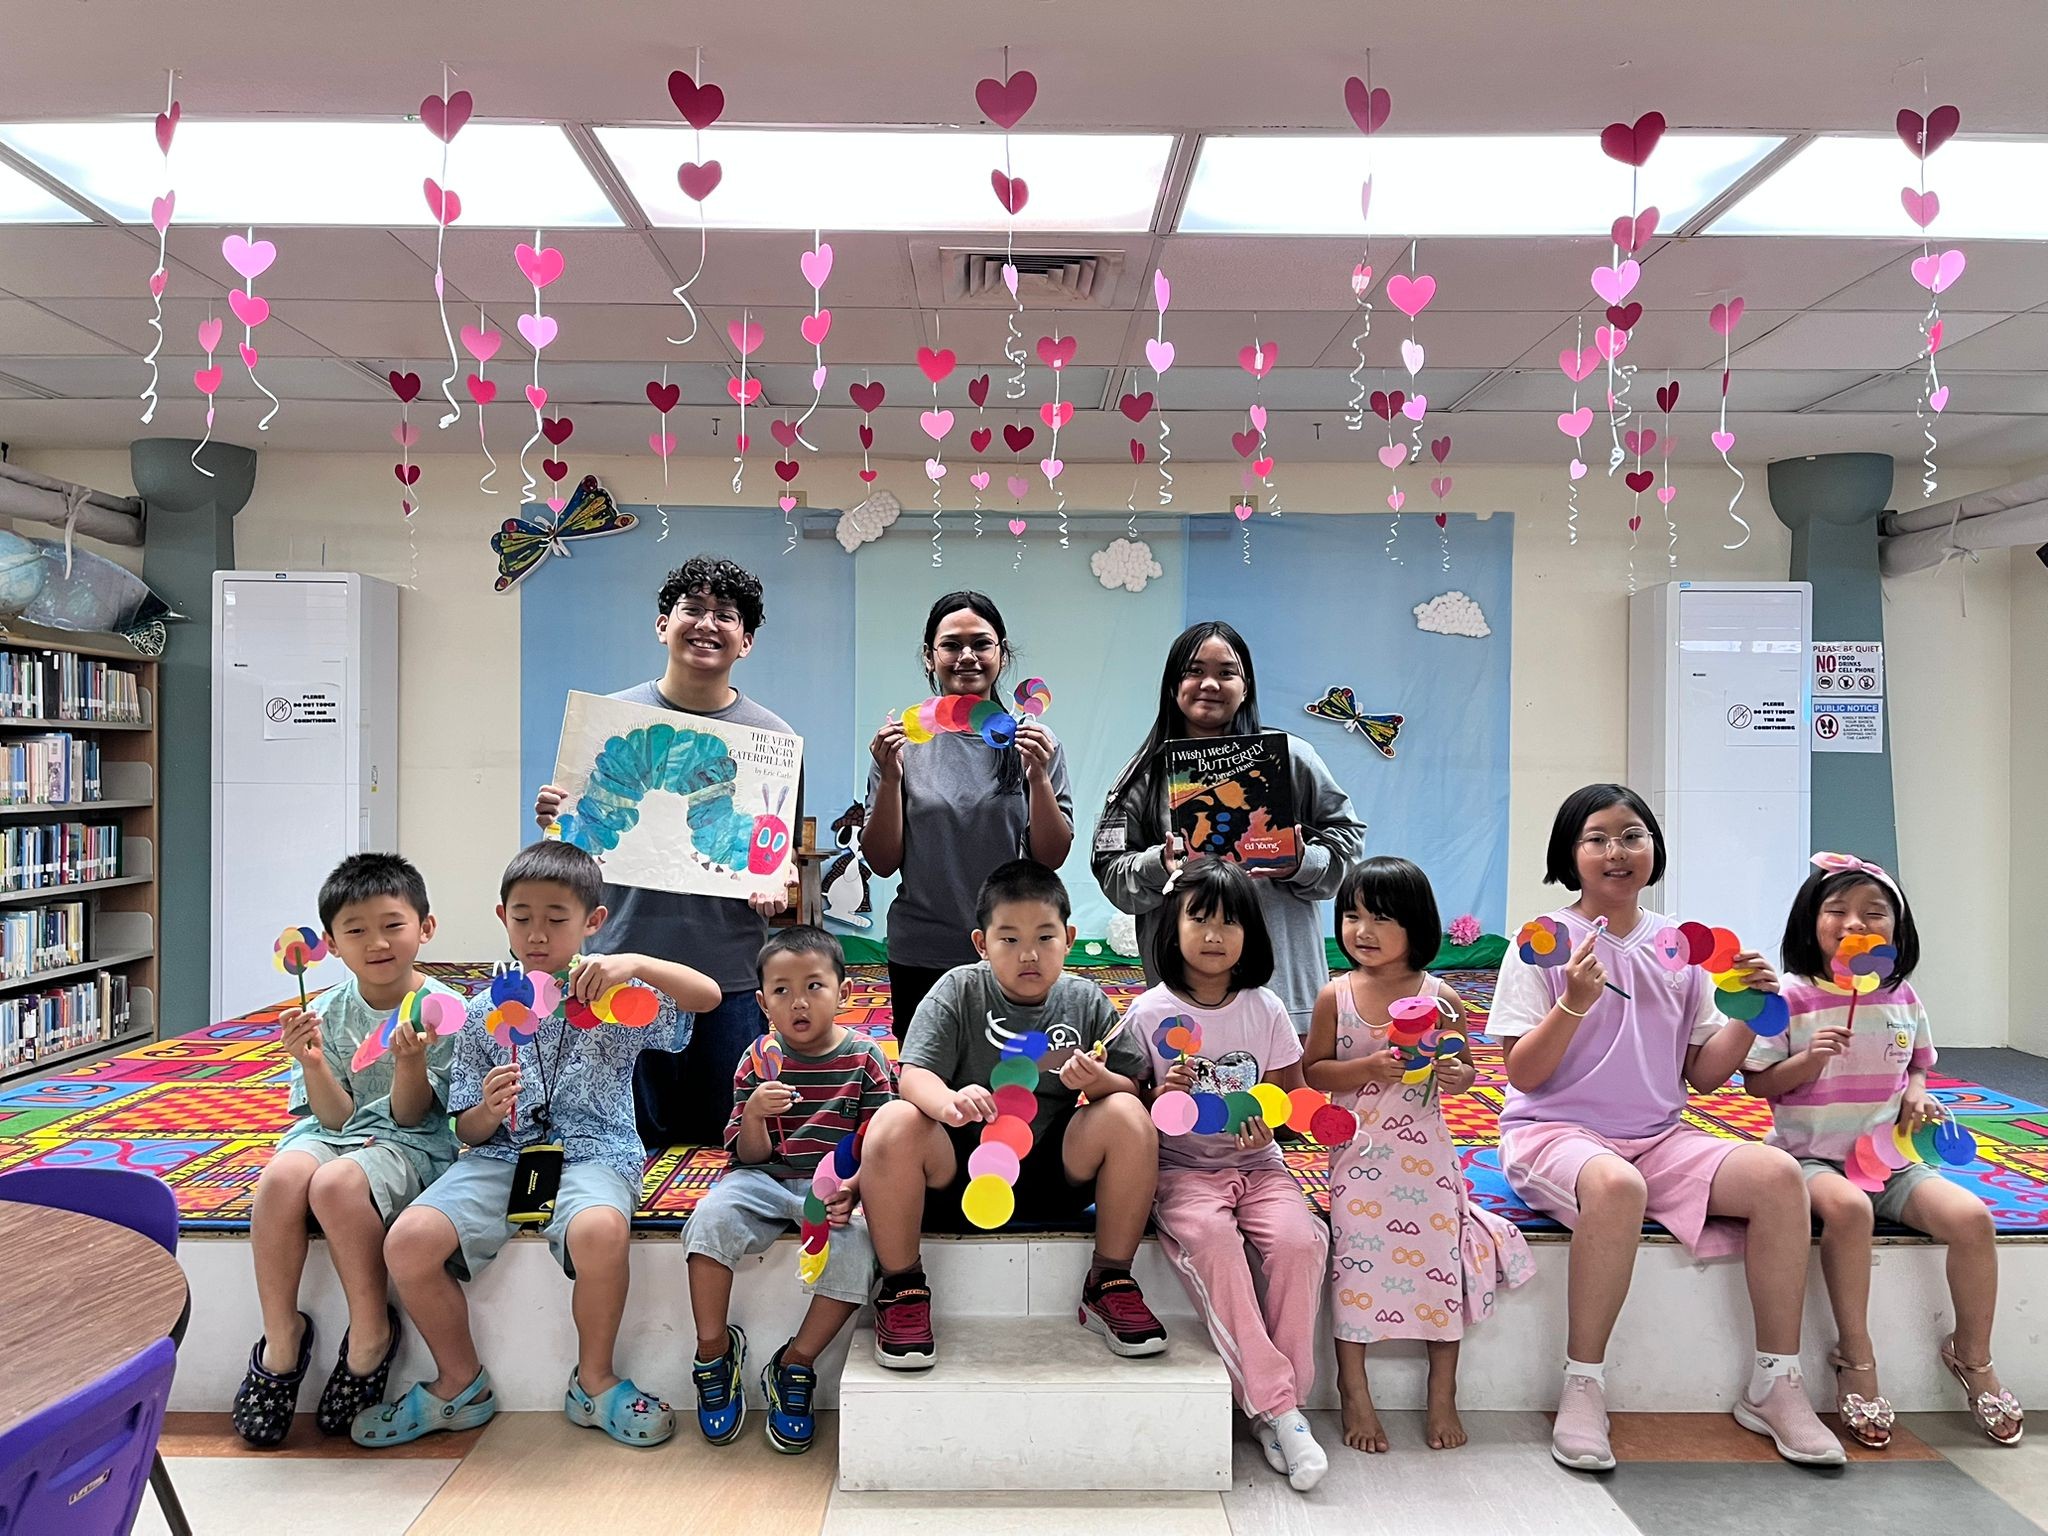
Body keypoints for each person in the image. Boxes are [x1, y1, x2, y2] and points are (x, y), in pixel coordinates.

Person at [1494, 785, 1842, 1470]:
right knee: (1616, 1187)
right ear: (1569, 853)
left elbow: (1704, 1077)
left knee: (1778, 1176)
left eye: (1633, 835)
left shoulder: (1681, 948)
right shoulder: (1541, 942)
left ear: (1655, 848)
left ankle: (1775, 1383)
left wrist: (1750, 1011)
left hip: (1659, 1137)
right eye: (1597, 838)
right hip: (1552, 1133)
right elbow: (1523, 1075)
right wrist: (1573, 1002)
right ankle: (1583, 1385)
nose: (1616, 851)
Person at [355, 841, 720, 1449]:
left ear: (593, 922)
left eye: (557, 918)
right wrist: (486, 1109)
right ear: (502, 917)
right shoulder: (483, 1012)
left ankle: (595, 1381)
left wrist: (633, 962)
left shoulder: (614, 999)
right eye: (522, 917)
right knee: (408, 1241)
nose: (538, 933)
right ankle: (459, 1383)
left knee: (599, 1230)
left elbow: (706, 996)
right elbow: (465, 1130)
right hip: (500, 1156)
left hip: (595, 1152)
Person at [1746, 853, 2021, 1448]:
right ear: (1809, 921)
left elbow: (1918, 1064)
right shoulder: (1791, 997)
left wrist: (1918, 1094)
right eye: (1837, 910)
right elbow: (1758, 1083)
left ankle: (1973, 1355)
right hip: (1809, 1158)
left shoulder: (1901, 996)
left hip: (1890, 1160)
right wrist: (1808, 1059)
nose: (1855, 923)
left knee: (1973, 1219)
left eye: (1875, 913)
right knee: (1850, 1211)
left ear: (1898, 928)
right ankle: (1856, 1354)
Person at [858, 859, 1166, 1367]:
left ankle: (1110, 1278)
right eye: (1009, 939)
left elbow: (1135, 1084)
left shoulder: (1085, 1000)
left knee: (1128, 1114)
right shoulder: (959, 988)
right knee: (894, 1121)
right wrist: (949, 1102)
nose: (1029, 954)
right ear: (982, 943)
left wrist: (1099, 1082)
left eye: (1045, 937)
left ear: (1068, 938)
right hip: (961, 1170)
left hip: (1054, 1170)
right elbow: (912, 1075)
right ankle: (902, 1287)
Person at [532, 554, 792, 1149]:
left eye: (725, 615)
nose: (706, 624)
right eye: (692, 609)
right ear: (662, 625)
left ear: (746, 640)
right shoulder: (606, 723)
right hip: (620, 961)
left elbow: (771, 855)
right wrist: (558, 821)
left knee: (724, 1142)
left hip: (726, 971)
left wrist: (777, 883)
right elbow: (580, 847)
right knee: (622, 1141)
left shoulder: (773, 741)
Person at [1305, 856, 1532, 1457]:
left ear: (1417, 925)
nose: (1363, 930)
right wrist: (1367, 1067)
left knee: (1439, 1267)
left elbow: (1465, 1070)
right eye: (1352, 916)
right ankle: (1353, 1388)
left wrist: (1457, 1073)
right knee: (1354, 1268)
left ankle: (1443, 1391)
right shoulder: (1336, 995)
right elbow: (1314, 1071)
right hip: (1358, 1157)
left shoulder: (1441, 997)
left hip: (1426, 1157)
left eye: (1381, 918)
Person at [233, 853, 461, 1447]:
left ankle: (369, 1332)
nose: (376, 943)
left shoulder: (443, 1012)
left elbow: (411, 1117)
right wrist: (311, 1064)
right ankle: (281, 1339)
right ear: (331, 945)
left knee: (335, 1184)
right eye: (356, 930)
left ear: (425, 928)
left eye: (392, 925)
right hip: (335, 1132)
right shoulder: (326, 1012)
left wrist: (410, 1062)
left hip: (407, 1141)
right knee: (282, 1177)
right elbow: (333, 1119)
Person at [1125, 858, 1332, 1491]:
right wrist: (1161, 1094)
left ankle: (1281, 1408)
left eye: (1231, 921)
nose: (1215, 934)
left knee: (1302, 1243)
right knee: (1215, 1244)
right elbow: (1123, 1108)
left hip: (1259, 1166)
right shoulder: (1149, 1012)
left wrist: (1275, 1126)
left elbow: (1290, 1097)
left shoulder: (1265, 1008)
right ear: (1173, 926)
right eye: (1200, 918)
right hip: (1182, 1171)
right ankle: (1282, 1410)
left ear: (1252, 933)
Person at [1094, 620, 1365, 1033]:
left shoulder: (1291, 759)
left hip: (1283, 992)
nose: (1209, 684)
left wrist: (1301, 862)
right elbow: (1110, 868)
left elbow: (1347, 842)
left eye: (1226, 672)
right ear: (1173, 684)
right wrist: (1158, 864)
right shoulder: (1141, 776)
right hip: (1182, 1001)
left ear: (1246, 686)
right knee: (1185, 1076)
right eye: (1194, 671)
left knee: (1288, 1078)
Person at [685, 925, 894, 1455]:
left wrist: (854, 1189)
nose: (798, 1002)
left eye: (814, 986)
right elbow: (748, 1157)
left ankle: (795, 1364)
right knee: (708, 1220)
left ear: (844, 993)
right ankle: (713, 1352)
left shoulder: (866, 1058)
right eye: (782, 990)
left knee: (857, 1251)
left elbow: (880, 1142)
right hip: (762, 1179)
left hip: (832, 1187)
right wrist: (754, 1114)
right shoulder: (756, 1061)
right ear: (763, 1003)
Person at [864, 591, 1073, 1036]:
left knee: (1010, 1072)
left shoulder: (1033, 742)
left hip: (1011, 951)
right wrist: (889, 777)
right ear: (929, 656)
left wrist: (1037, 777)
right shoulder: (901, 744)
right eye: (951, 645)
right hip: (922, 951)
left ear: (1002, 653)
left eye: (981, 644)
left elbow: (1051, 857)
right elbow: (881, 862)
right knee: (926, 1076)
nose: (966, 656)